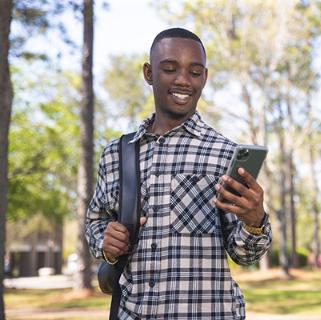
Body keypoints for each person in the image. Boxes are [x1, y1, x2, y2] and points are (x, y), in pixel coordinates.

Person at [85, 27, 272, 319]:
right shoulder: (116, 153)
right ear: (149, 73)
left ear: (205, 78)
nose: (183, 80)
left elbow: (245, 255)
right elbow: (96, 223)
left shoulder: (224, 154)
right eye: (170, 69)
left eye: (195, 72)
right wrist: (105, 243)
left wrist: (254, 221)